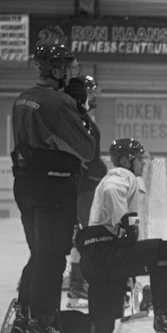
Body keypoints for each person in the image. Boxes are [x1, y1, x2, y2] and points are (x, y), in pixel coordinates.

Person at [8, 43, 95, 333]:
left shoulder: (23, 99)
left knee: (38, 252)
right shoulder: (58, 102)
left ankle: (23, 320)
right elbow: (87, 149)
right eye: (66, 66)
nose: (70, 71)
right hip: (53, 185)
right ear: (56, 69)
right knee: (52, 256)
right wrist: (80, 109)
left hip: (25, 184)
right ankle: (41, 327)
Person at [63, 138, 167, 333]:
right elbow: (111, 190)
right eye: (140, 158)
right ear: (125, 161)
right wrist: (126, 225)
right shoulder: (121, 176)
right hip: (103, 254)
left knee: (100, 327)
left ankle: (40, 319)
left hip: (99, 259)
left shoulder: (123, 177)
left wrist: (127, 236)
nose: (144, 163)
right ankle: (165, 320)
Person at [64, 75, 107, 307]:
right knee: (85, 236)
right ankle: (78, 285)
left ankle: (77, 285)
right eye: (91, 91)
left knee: (83, 237)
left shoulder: (83, 118)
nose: (95, 95)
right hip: (83, 188)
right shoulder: (78, 119)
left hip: (87, 185)